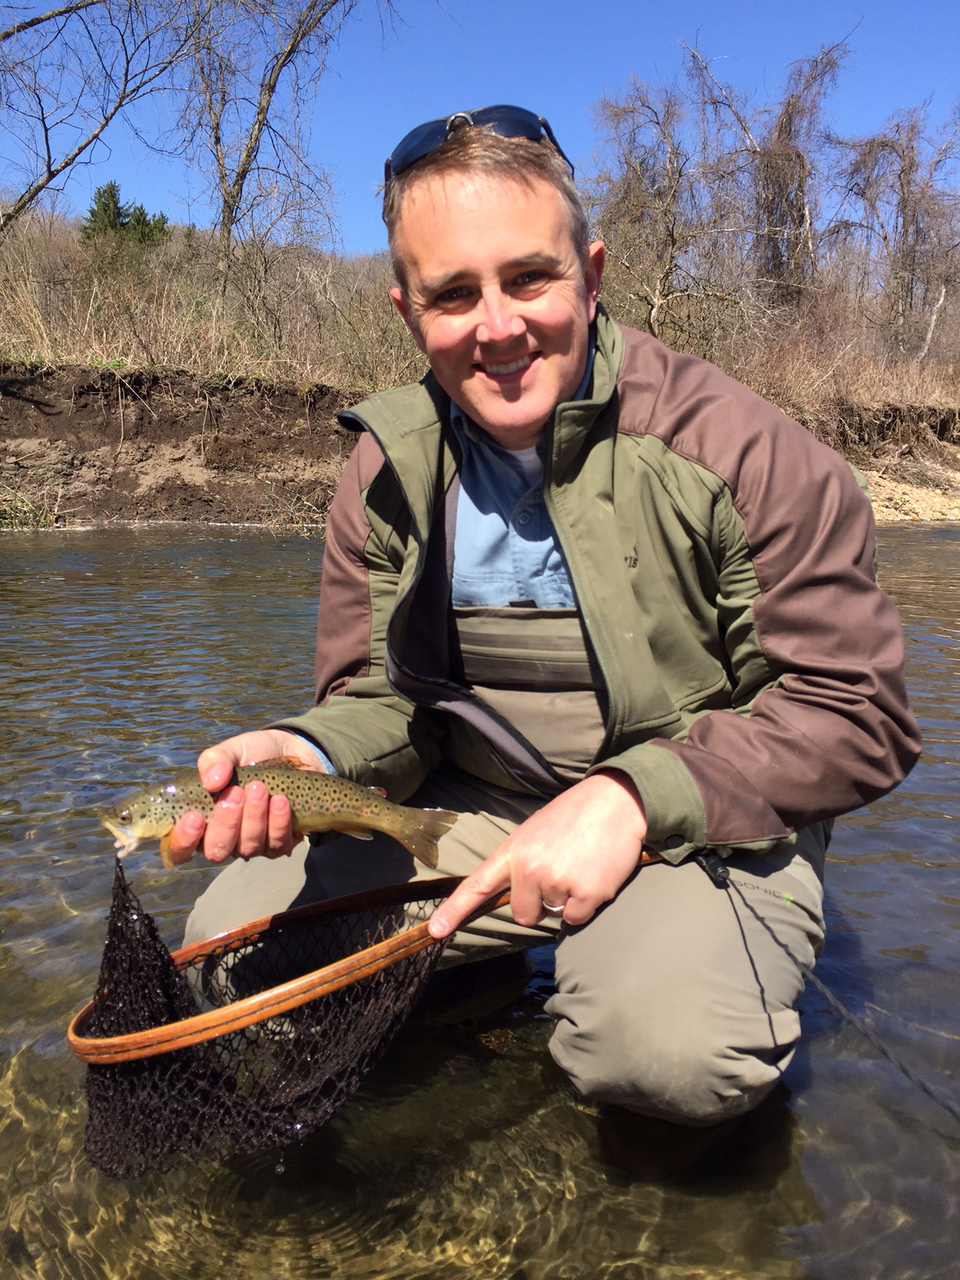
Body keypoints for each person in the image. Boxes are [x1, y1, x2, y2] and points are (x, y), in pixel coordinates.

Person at [171, 105, 920, 1135]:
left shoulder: (748, 453)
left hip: (689, 824)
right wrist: (303, 747)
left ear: (592, 272)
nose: (498, 326)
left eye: (530, 277)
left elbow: (858, 712)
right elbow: (380, 698)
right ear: (406, 312)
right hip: (472, 812)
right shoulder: (386, 469)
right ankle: (465, 986)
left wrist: (633, 795)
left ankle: (621, 983)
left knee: (663, 1057)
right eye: (452, 294)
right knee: (231, 963)